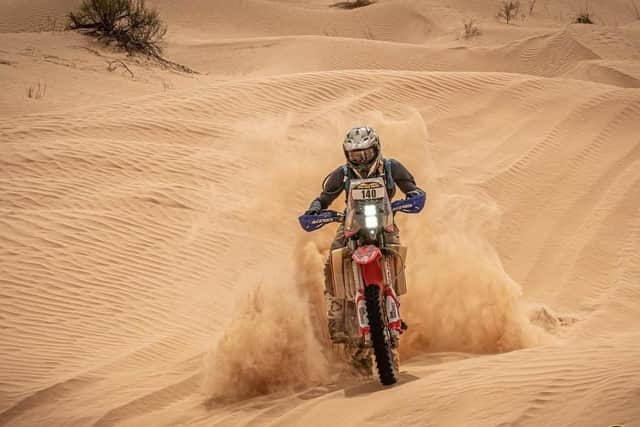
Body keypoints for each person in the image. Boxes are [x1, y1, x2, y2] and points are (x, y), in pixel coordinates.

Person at [304, 126, 425, 343]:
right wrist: (315, 208)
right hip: (352, 223)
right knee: (333, 259)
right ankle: (336, 311)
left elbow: (410, 186)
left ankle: (395, 300)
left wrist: (414, 194)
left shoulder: (390, 167)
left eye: (366, 153)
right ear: (347, 155)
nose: (361, 159)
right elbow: (325, 196)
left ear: (376, 149)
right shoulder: (342, 174)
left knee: (396, 253)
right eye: (355, 155)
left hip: (384, 220)